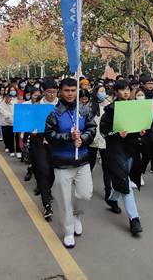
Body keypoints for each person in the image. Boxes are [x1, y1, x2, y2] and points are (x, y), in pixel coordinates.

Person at [44, 78, 96, 248]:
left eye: (73, 90)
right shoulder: (54, 114)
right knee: (64, 199)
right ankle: (68, 231)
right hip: (62, 163)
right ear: (60, 91)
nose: (70, 94)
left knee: (86, 194)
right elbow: (50, 136)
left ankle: (76, 215)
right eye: (67, 90)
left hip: (82, 160)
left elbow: (92, 129)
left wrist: (83, 139)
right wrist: (68, 137)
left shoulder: (84, 110)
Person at [100, 80, 144, 235]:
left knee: (123, 179)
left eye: (128, 89)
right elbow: (104, 131)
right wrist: (117, 133)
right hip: (115, 150)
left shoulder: (134, 107)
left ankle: (112, 199)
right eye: (122, 89)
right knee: (125, 182)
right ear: (116, 92)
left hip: (131, 149)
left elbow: (138, 125)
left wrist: (140, 131)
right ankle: (134, 219)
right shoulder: (110, 110)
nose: (126, 92)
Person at [30, 79, 58, 220]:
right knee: (43, 171)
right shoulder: (37, 106)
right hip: (40, 143)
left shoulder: (61, 105)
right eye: (49, 92)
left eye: (54, 92)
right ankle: (47, 205)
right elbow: (30, 123)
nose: (52, 95)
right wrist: (32, 130)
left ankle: (46, 189)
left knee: (52, 173)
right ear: (43, 91)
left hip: (57, 143)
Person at [88, 84, 112, 200]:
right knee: (90, 164)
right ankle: (85, 185)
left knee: (107, 167)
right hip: (92, 139)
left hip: (105, 139)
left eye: (104, 91)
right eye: (100, 91)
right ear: (95, 93)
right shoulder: (90, 106)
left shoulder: (109, 105)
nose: (103, 93)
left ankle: (108, 191)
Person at [0, 86, 18, 157]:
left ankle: (12, 150)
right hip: (4, 123)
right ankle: (7, 146)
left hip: (12, 123)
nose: (9, 99)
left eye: (10, 98)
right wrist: (10, 115)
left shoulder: (14, 103)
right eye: (7, 97)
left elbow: (14, 112)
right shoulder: (1, 103)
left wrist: (11, 116)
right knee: (5, 136)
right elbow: (3, 112)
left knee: (11, 136)